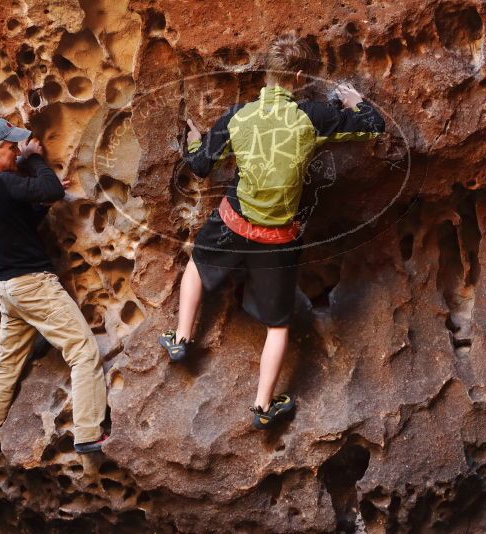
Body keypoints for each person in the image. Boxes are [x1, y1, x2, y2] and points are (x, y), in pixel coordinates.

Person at [158, 35, 386, 429]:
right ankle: (263, 407)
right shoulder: (312, 116)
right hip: (277, 239)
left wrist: (197, 140)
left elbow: (200, 166)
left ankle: (180, 339)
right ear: (298, 76)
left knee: (197, 263)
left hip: (232, 224)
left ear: (265, 70)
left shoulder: (237, 116)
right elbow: (373, 127)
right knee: (278, 325)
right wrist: (354, 102)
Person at [0, 117, 108, 459]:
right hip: (33, 286)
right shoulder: (1, 183)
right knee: (83, 351)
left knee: (6, 367)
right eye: (11, 147)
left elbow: (24, 219)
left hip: (9, 290)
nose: (16, 151)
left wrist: (41, 198)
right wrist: (34, 159)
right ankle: (88, 433)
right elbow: (52, 189)